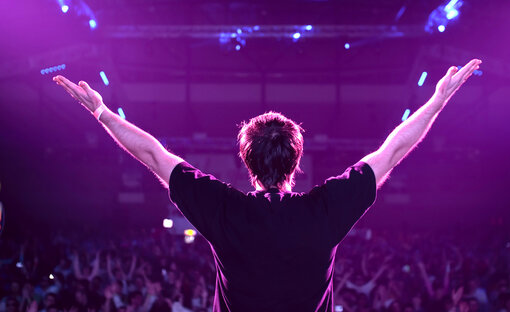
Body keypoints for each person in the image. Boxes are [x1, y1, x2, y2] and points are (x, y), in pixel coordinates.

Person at [53, 58, 482, 312]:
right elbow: (391, 151)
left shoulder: (224, 212)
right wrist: (438, 99)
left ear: (246, 162)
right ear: (297, 161)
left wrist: (103, 114)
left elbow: (153, 153)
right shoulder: (325, 210)